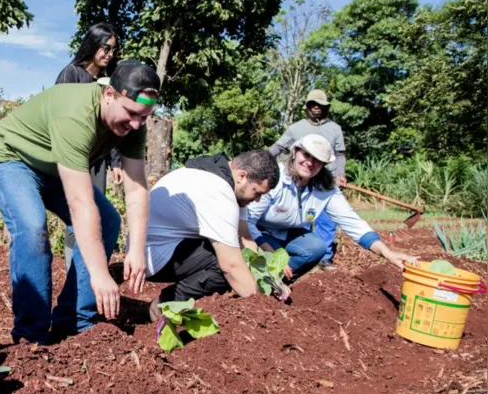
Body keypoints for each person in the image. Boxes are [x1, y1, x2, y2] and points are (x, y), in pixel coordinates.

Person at [0, 59, 160, 344]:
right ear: (110, 95)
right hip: (12, 159)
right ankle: (32, 336)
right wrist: (101, 274)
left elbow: (137, 187)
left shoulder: (133, 123)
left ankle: (75, 321)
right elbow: (80, 202)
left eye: (145, 116)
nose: (137, 123)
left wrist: (136, 250)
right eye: (132, 113)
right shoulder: (76, 114)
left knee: (109, 221)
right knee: (31, 227)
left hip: (54, 168)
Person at [250, 134, 416, 281]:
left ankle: (276, 285)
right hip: (257, 231)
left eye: (317, 160)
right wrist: (273, 253)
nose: (309, 163)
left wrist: (387, 253)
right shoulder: (276, 177)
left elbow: (352, 222)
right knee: (277, 256)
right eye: (306, 155)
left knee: (315, 247)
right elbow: (248, 222)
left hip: (287, 232)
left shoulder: (326, 188)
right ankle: (251, 280)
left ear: (323, 164)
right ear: (295, 152)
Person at [144, 150, 282, 320]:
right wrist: (262, 307)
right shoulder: (218, 192)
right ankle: (163, 306)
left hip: (170, 247)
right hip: (151, 256)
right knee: (224, 268)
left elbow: (245, 237)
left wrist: (268, 280)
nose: (258, 200)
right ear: (242, 176)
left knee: (237, 261)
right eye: (257, 192)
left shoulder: (224, 179)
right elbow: (230, 266)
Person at [55, 22, 124, 271]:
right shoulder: (71, 74)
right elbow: (60, 116)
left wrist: (116, 162)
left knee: (96, 214)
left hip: (98, 159)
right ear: (93, 45)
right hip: (74, 157)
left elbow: (114, 122)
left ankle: (91, 270)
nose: (109, 54)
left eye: (113, 49)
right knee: (78, 212)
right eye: (105, 48)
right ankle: (74, 270)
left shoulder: (109, 82)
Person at [269, 89, 347, 270]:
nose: (316, 108)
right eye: (312, 104)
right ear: (307, 107)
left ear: (326, 107)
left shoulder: (335, 129)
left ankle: (325, 257)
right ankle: (294, 252)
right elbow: (278, 147)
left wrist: (340, 173)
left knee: (327, 220)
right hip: (300, 180)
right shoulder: (297, 128)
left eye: (320, 105)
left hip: (325, 181)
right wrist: (261, 160)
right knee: (299, 217)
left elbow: (340, 154)